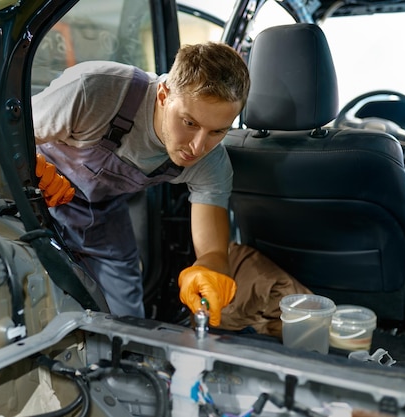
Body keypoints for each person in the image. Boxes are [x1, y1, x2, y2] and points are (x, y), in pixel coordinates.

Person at [32, 42, 250, 327]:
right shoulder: (95, 89)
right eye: (189, 123)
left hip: (102, 211)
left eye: (218, 131)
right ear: (163, 95)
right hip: (33, 197)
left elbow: (213, 253)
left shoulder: (212, 164)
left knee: (128, 318)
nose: (198, 147)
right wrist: (29, 164)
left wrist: (207, 271)